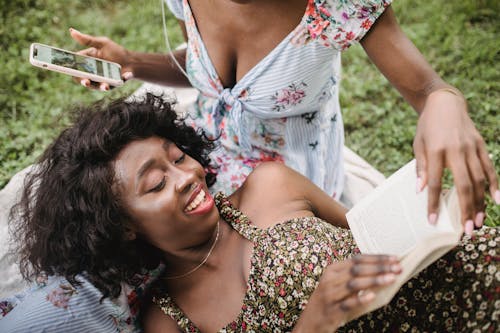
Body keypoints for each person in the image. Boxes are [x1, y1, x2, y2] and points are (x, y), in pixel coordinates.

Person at [0, 94, 497, 332]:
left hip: (459, 291)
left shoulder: (270, 185)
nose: (186, 177)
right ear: (122, 225)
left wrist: (436, 225)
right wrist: (312, 324)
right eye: (155, 183)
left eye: (178, 157)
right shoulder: (167, 323)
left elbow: (369, 230)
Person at [68, 0, 498, 235]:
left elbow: (428, 89)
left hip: (294, 176)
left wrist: (445, 104)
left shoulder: (337, 6)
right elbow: (202, 68)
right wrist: (131, 62)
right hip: (202, 158)